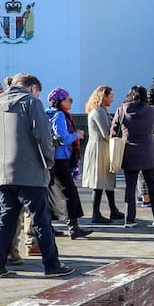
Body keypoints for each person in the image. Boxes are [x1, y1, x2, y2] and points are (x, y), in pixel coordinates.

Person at [0, 73, 70, 278]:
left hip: (3, 174)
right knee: (41, 220)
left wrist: (2, 161)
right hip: (31, 173)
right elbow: (42, 136)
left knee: (6, 220)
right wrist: (49, 162)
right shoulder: (31, 103)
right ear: (32, 88)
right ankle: (51, 265)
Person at [111, 86, 154, 227]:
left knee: (130, 187)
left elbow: (114, 131)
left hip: (129, 152)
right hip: (148, 151)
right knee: (153, 186)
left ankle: (129, 219)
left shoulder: (121, 110)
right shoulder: (151, 110)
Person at [46, 88, 91, 239]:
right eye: (69, 99)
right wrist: (76, 135)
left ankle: (49, 227)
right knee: (70, 192)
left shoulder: (49, 114)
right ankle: (73, 227)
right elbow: (63, 138)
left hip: (52, 159)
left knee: (52, 193)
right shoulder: (59, 115)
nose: (71, 102)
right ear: (60, 101)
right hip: (60, 158)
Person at [81, 85, 120, 224]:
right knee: (98, 181)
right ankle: (95, 213)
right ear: (103, 96)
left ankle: (113, 210)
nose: (112, 99)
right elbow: (106, 133)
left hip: (102, 147)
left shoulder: (100, 110)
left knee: (107, 179)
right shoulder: (98, 112)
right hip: (99, 147)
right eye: (110, 96)